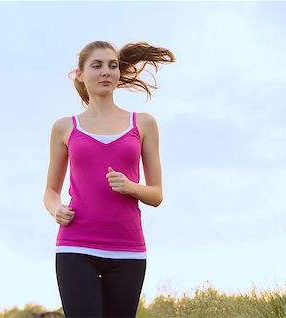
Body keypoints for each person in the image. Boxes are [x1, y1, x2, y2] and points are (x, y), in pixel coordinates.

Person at [43, 40, 176, 318]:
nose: (106, 72)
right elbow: (50, 192)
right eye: (97, 65)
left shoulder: (143, 123)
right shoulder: (65, 127)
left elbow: (157, 195)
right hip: (75, 246)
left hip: (128, 249)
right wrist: (57, 210)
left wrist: (130, 187)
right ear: (79, 74)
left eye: (112, 66)